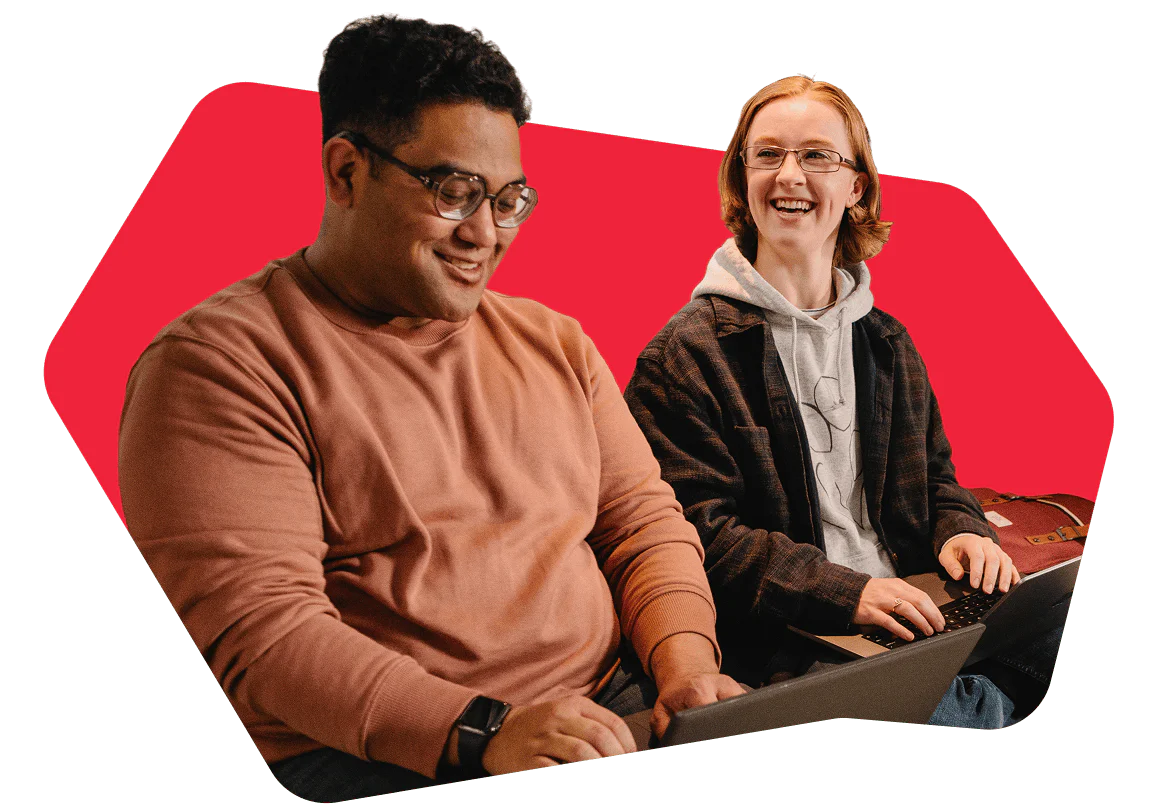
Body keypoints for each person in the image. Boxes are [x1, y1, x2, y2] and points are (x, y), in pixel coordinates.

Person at [118, 14, 742, 803]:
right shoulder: (217, 368)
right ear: (345, 172)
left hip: (612, 709)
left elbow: (642, 524)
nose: (484, 233)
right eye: (454, 193)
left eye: (509, 198)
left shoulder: (556, 343)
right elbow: (266, 635)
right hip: (387, 755)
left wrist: (687, 668)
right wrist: (484, 733)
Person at [624, 74, 1060, 728]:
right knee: (939, 709)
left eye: (816, 155)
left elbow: (936, 476)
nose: (789, 174)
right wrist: (844, 593)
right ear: (742, 179)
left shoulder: (887, 342)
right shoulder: (686, 356)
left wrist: (960, 529)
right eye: (767, 154)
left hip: (914, 603)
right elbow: (694, 535)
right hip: (798, 634)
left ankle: (973, 706)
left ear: (856, 187)